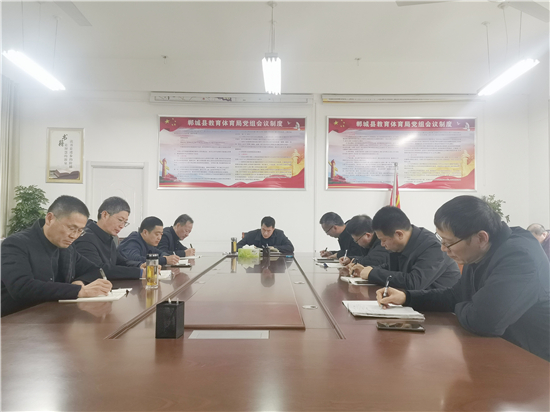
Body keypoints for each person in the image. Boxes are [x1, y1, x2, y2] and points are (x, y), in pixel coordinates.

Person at [378, 195, 550, 361]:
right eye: (441, 240)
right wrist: (407, 297)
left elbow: (484, 322)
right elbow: (456, 295)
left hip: (533, 362)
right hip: (497, 350)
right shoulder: (478, 251)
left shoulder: (520, 258)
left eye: (448, 242)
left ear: (481, 238)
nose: (443, 249)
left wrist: (463, 304)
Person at [1, 195, 112, 317]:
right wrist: (78, 291)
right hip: (16, 319)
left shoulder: (68, 249)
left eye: (80, 231)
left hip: (54, 316)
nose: (74, 236)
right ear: (50, 219)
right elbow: (21, 287)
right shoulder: (16, 244)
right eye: (71, 228)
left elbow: (94, 270)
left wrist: (79, 282)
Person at [349, 206, 460, 290]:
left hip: (441, 309)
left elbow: (414, 283)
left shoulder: (433, 247)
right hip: (414, 302)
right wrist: (367, 270)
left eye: (384, 240)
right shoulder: (399, 244)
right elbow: (391, 268)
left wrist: (372, 273)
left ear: (399, 234)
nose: (382, 244)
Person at [74, 196, 143, 280]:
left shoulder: (109, 237)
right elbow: (98, 270)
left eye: (125, 222)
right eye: (120, 220)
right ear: (105, 215)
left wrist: (139, 265)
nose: (122, 226)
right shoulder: (85, 238)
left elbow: (121, 261)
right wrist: (139, 272)